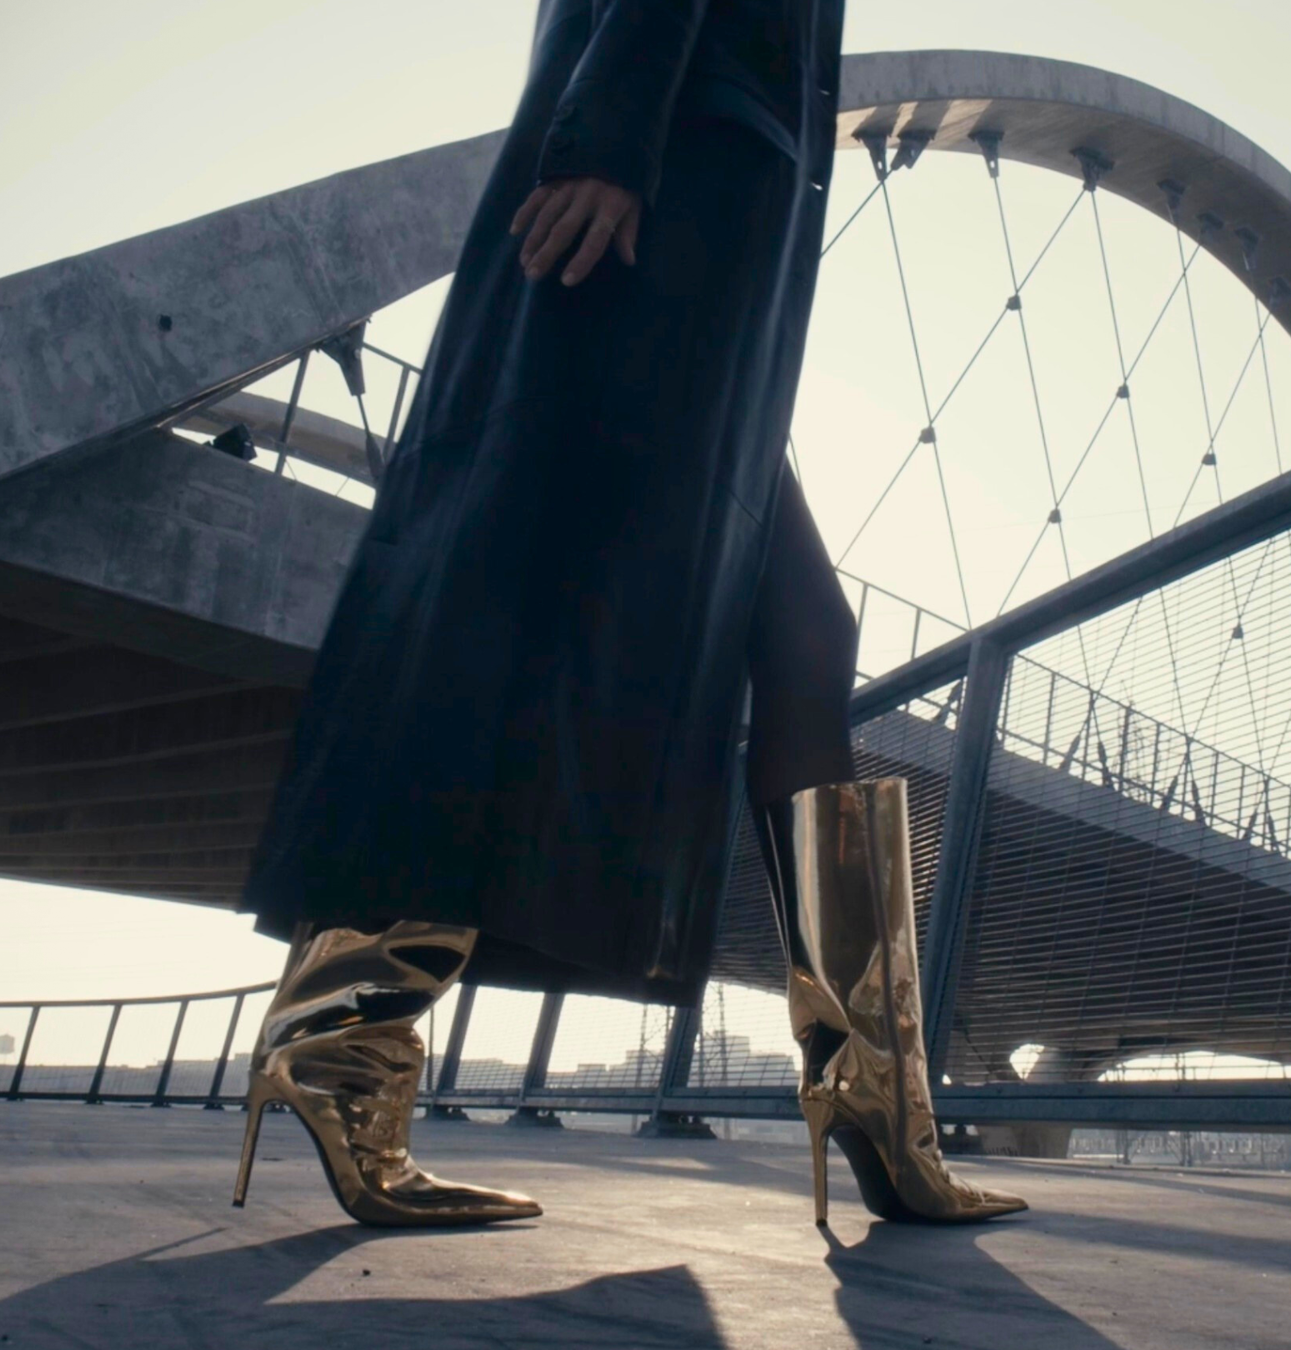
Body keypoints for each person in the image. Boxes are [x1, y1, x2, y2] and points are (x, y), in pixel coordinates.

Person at [233, 0, 1022, 1230]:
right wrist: (609, 138)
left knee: (806, 635)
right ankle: (345, 1030)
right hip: (658, 190)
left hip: (709, 209)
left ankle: (873, 1097)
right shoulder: (636, 147)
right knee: (513, 600)